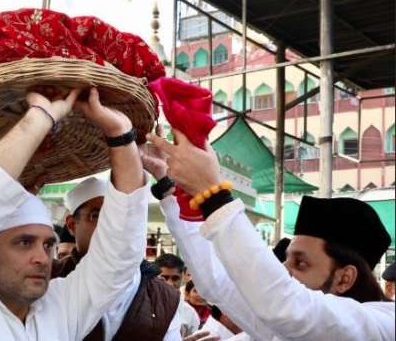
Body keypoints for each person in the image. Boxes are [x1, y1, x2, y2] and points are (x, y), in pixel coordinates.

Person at [0, 87, 151, 340]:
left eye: (48, 244)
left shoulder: (60, 308)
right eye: (24, 242)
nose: (42, 257)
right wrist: (37, 120)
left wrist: (120, 135)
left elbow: (119, 257)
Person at [146, 128, 396, 340]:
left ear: (344, 279)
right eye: (286, 259)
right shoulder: (286, 326)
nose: (283, 270)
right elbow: (217, 281)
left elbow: (286, 306)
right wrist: (167, 187)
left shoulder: (383, 325)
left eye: (300, 263)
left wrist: (212, 193)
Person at [53, 177, 183, 340]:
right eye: (96, 215)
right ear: (72, 225)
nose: (111, 224)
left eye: (118, 215)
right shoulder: (49, 279)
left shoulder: (163, 296)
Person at [154, 253, 201, 337]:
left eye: (175, 278)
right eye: (164, 278)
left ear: (182, 277)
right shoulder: (142, 307)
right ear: (154, 277)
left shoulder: (189, 313)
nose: (170, 284)